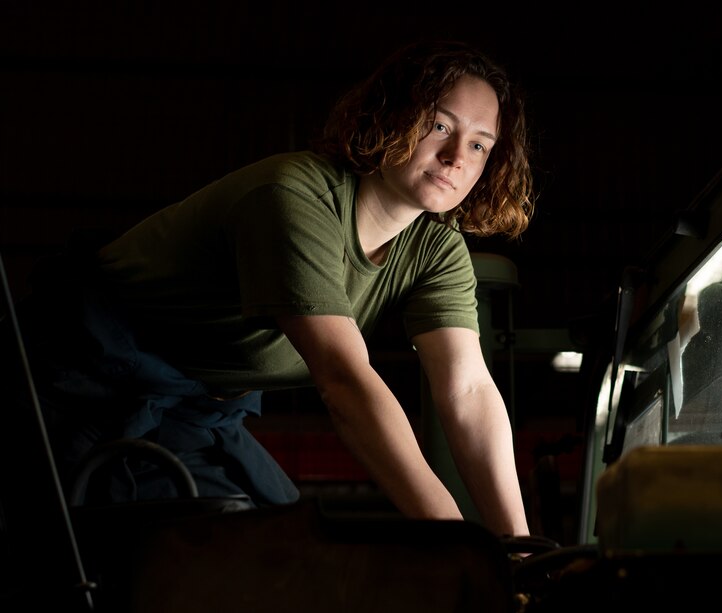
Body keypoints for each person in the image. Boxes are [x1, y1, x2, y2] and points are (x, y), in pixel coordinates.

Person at [7, 39, 534, 538]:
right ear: (393, 114)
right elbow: (344, 382)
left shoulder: (436, 249)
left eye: (479, 144)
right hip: (82, 383)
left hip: (199, 411)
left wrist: (521, 550)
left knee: (293, 553)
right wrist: (456, 544)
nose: (456, 155)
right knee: (218, 561)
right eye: (440, 125)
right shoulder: (294, 199)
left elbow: (467, 392)